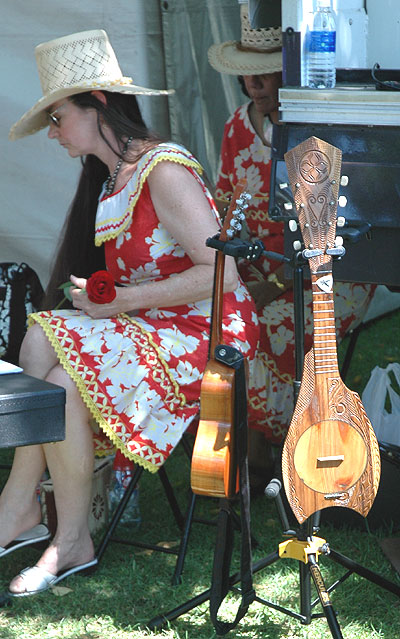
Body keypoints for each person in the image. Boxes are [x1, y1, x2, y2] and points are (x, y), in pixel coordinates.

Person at [1, 29, 259, 597]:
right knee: (41, 344)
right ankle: (22, 510)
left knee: (64, 384)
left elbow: (224, 274)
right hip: (159, 321)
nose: (53, 132)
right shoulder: (115, 176)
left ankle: (65, 537)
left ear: (96, 103)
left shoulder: (162, 170)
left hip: (209, 329)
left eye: (57, 115)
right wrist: (104, 296)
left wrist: (117, 301)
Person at [208, 4, 375, 472]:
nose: (253, 87)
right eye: (248, 78)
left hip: (331, 272)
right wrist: (237, 273)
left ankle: (269, 446)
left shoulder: (318, 129)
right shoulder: (236, 129)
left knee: (274, 323)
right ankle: (250, 440)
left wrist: (275, 283)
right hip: (263, 264)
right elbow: (226, 209)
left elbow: (331, 234)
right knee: (224, 315)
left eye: (264, 76)